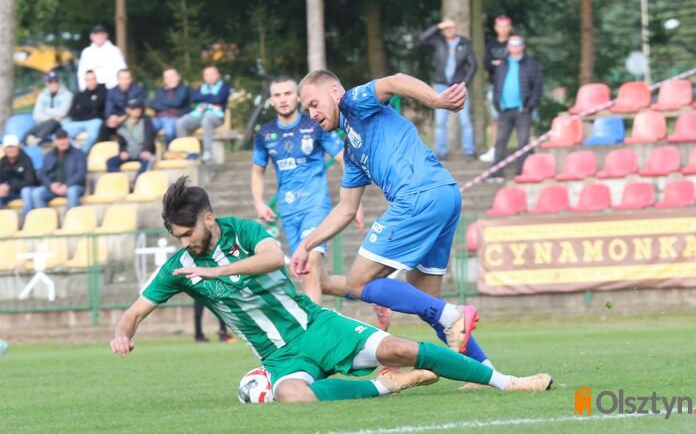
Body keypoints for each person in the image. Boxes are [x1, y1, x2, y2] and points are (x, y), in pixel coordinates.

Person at [109, 177, 552, 403]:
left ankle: (507, 382)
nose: (184, 244)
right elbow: (135, 309)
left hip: (316, 325)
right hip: (280, 357)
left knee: (401, 347)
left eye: (187, 234)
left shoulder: (242, 231)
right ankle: (386, 388)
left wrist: (211, 275)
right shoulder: (180, 265)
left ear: (208, 219)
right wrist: (123, 331)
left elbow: (272, 258)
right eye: (177, 238)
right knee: (290, 396)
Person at [291, 71, 494, 368]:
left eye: (313, 104)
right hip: (445, 195)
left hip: (418, 197)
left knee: (359, 282)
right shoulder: (352, 151)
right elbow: (346, 209)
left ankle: (453, 314)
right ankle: (484, 369)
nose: (312, 114)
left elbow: (395, 81)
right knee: (427, 301)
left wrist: (437, 100)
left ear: (334, 91)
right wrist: (306, 245)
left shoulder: (353, 102)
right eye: (307, 110)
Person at [251, 77, 382, 321]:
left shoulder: (314, 125)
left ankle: (314, 340)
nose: (283, 99)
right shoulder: (265, 134)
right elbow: (258, 171)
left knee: (309, 263)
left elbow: (344, 158)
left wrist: (356, 203)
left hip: (316, 206)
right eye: (277, 95)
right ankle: (377, 295)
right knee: (322, 282)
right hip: (289, 212)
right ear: (271, 100)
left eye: (288, 93)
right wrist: (259, 201)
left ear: (297, 98)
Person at [419, 18, 477, 161]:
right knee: (440, 122)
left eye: (451, 27)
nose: (449, 30)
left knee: (465, 121)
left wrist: (465, 83)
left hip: (459, 86)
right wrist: (439, 26)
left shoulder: (464, 43)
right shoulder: (439, 42)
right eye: (446, 28)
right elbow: (422, 38)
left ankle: (470, 152)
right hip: (441, 86)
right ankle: (441, 153)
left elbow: (473, 65)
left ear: (456, 28)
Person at [488, 35, 543, 181]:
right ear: (508, 47)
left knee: (523, 142)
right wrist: (497, 104)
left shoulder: (531, 64)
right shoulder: (503, 65)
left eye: (518, 44)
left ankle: (522, 172)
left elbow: (537, 87)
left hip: (523, 111)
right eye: (512, 44)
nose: (515, 47)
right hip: (505, 110)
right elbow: (496, 86)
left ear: (522, 46)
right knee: (500, 141)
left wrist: (530, 105)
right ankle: (496, 173)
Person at [21, 129, 86, 217]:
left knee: (72, 192)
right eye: (59, 139)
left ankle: (72, 220)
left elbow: (81, 173)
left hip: (72, 186)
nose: (62, 142)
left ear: (68, 139)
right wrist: (51, 185)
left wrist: (67, 185)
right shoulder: (50, 155)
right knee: (37, 193)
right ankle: (46, 220)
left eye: (64, 139)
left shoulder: (79, 154)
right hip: (53, 187)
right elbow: (43, 174)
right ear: (55, 141)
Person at [177, 66, 230, 163]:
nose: (209, 77)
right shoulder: (201, 87)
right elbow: (193, 98)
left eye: (212, 74)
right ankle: (187, 152)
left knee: (206, 120)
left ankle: (207, 152)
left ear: (218, 75)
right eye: (207, 75)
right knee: (181, 123)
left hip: (216, 116)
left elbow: (219, 99)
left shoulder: (224, 87)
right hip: (199, 114)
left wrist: (203, 97)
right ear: (204, 77)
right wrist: (210, 96)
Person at [480, 15, 513, 164]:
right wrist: (500, 64)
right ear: (496, 28)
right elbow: (487, 63)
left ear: (510, 27)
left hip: (512, 87)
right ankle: (495, 148)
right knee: (495, 119)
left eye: (506, 26)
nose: (503, 29)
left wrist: (500, 63)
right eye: (500, 26)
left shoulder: (514, 43)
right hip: (495, 86)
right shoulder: (491, 45)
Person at [105, 98, 156, 177]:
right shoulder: (122, 123)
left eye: (138, 107)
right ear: (127, 110)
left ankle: (137, 183)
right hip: (128, 153)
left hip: (142, 152)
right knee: (111, 162)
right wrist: (123, 151)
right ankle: (121, 181)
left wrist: (147, 150)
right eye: (133, 108)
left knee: (147, 163)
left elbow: (149, 137)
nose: (137, 110)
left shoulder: (146, 120)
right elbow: (121, 140)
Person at [61, 70, 106, 153]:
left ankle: (82, 153)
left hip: (95, 121)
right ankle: (75, 149)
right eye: (88, 80)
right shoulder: (80, 95)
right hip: (79, 122)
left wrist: (83, 110)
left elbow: (99, 108)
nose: (91, 82)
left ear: (96, 79)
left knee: (92, 135)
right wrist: (91, 111)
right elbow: (72, 113)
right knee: (62, 132)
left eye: (93, 79)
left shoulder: (104, 92)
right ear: (85, 81)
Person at [24, 72, 73, 146]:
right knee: (27, 134)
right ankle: (25, 143)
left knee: (52, 123)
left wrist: (45, 110)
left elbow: (62, 113)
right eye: (50, 81)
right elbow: (36, 114)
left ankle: (38, 140)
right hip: (46, 124)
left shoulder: (67, 94)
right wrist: (53, 117)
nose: (53, 83)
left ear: (59, 81)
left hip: (61, 125)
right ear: (46, 83)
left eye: (56, 81)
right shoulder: (42, 95)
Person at [76, 25, 127, 91]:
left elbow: (122, 69)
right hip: (92, 89)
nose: (99, 36)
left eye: (102, 34)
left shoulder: (114, 50)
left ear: (106, 35)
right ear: (91, 36)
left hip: (111, 88)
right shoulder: (86, 52)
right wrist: (83, 89)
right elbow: (81, 72)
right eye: (96, 34)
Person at [149, 68, 191, 145]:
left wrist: (161, 102)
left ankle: (169, 153)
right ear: (164, 80)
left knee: (169, 132)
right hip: (158, 117)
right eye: (167, 77)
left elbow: (177, 102)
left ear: (178, 77)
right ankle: (149, 154)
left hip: (174, 117)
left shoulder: (184, 89)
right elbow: (153, 103)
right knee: (146, 128)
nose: (170, 79)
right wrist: (169, 106)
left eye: (172, 76)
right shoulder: (161, 90)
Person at [103, 69, 145, 141]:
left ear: (131, 79)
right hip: (116, 119)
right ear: (118, 79)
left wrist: (123, 118)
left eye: (127, 79)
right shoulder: (112, 92)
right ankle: (104, 150)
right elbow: (108, 111)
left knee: (131, 124)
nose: (124, 82)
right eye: (121, 79)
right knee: (104, 126)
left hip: (133, 119)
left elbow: (138, 111)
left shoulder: (138, 91)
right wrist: (112, 117)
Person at [0, 135, 38, 208]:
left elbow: (29, 181)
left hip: (24, 190)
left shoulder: (26, 160)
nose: (11, 150)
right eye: (8, 147)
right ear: (4, 149)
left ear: (18, 147)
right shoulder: (3, 161)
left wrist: (10, 186)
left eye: (13, 147)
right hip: (9, 192)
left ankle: (26, 218)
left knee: (26, 192)